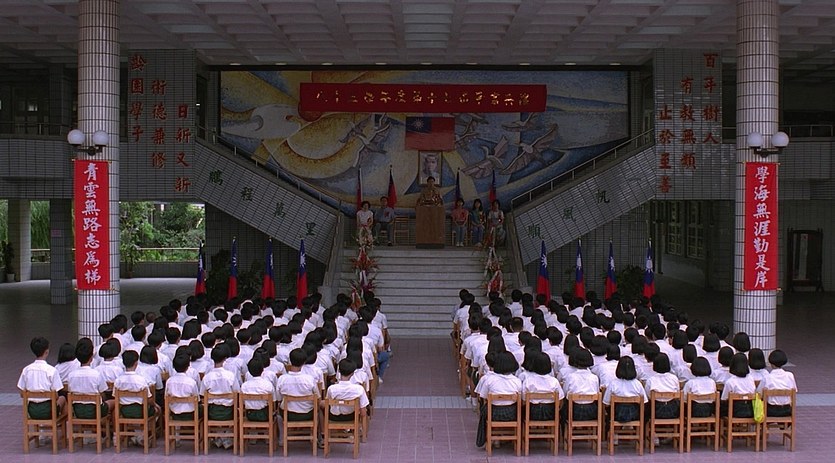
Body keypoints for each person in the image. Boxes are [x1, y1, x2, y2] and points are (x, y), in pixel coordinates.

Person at [474, 351, 522, 448]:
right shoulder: (517, 381)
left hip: (493, 413)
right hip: (512, 414)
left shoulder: (489, 380)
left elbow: (483, 397)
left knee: (485, 409)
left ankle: (490, 438)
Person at [18, 337, 66, 419]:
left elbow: (22, 393)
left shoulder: (26, 370)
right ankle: (64, 425)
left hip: (32, 411)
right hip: (48, 411)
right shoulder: (52, 370)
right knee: (63, 398)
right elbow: (56, 395)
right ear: (47, 351)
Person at [602, 356, 647, 422]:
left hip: (617, 414)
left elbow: (606, 403)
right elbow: (644, 401)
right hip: (634, 415)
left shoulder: (613, 383)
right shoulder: (637, 384)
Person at [756, 349, 796, 417]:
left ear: (771, 363)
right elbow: (794, 390)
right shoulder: (790, 375)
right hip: (787, 410)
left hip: (771, 411)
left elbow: (759, 393)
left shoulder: (767, 377)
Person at [720, 353, 756, 417]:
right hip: (750, 410)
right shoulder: (751, 379)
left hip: (734, 411)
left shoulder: (730, 381)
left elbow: (724, 398)